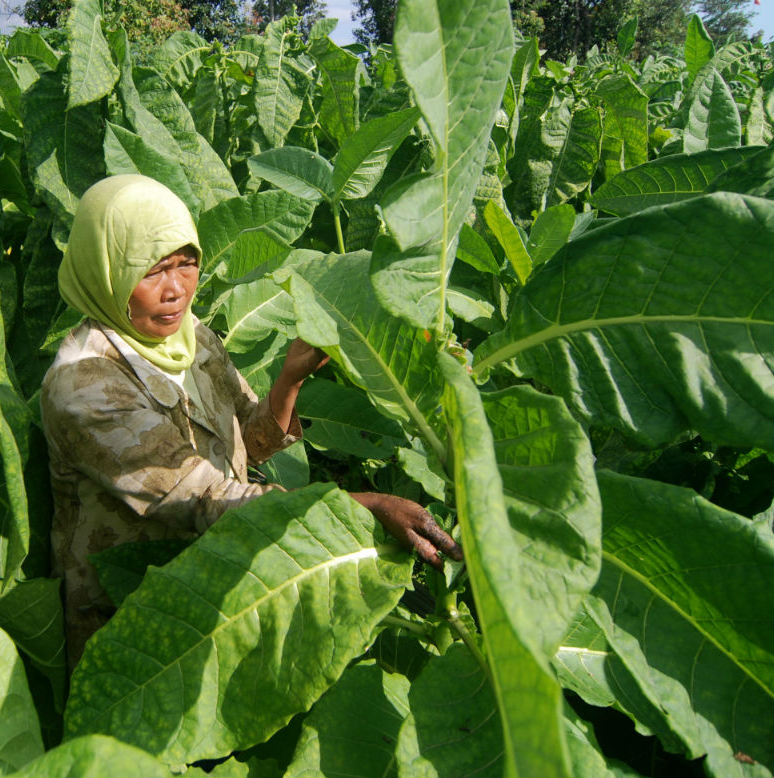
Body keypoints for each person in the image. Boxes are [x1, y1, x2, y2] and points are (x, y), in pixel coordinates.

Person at [40, 174, 461, 666]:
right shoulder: (84, 387)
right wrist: (362, 506)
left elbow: (246, 441)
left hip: (220, 572)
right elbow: (203, 497)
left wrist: (290, 381)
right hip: (128, 608)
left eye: (187, 264)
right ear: (106, 270)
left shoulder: (188, 336)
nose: (176, 290)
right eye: (153, 271)